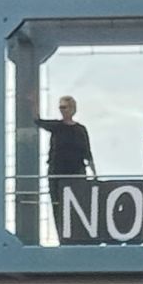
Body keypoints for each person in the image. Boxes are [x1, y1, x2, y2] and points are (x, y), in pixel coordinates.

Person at [38, 95, 95, 234]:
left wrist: (94, 172)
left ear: (72, 109)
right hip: (57, 172)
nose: (62, 110)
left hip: (76, 172)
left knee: (77, 205)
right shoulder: (56, 127)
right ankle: (61, 235)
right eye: (60, 107)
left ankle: (77, 234)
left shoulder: (80, 129)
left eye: (64, 107)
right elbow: (38, 121)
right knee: (58, 206)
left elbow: (87, 152)